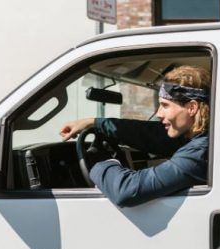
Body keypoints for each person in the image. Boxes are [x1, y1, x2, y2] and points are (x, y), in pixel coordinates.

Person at [59, 65, 211, 207]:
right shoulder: (195, 137)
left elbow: (127, 190)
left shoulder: (199, 152)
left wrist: (100, 163)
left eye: (165, 105)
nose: (158, 113)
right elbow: (148, 134)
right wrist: (94, 122)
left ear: (192, 108)